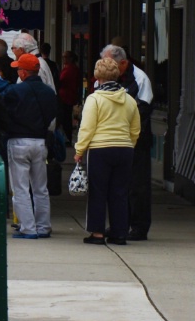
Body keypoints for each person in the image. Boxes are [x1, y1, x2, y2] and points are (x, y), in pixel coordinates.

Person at [74, 57, 141, 245]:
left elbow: (87, 127)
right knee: (119, 192)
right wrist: (129, 143)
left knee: (98, 192)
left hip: (100, 150)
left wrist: (80, 150)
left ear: (97, 76)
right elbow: (135, 129)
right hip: (125, 149)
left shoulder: (95, 99)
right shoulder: (129, 100)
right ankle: (119, 233)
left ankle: (97, 233)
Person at [101, 44, 154, 241]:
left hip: (136, 141)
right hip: (115, 139)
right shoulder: (109, 78)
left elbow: (144, 110)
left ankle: (139, 226)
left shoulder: (140, 78)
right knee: (118, 186)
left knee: (138, 186)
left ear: (123, 63)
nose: (108, 67)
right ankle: (120, 223)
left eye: (111, 63)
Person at [2, 53, 58, 239]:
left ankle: (28, 227)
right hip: (40, 141)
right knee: (41, 187)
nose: (18, 71)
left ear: (24, 73)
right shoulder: (49, 93)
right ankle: (43, 226)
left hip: (18, 141)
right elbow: (52, 115)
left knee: (21, 187)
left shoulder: (15, 91)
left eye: (19, 69)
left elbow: (5, 114)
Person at [57, 51, 82, 144]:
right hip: (67, 96)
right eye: (63, 57)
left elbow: (62, 81)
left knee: (65, 118)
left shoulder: (71, 69)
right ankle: (67, 137)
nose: (64, 59)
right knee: (66, 118)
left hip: (67, 97)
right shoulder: (68, 68)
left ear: (71, 58)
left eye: (66, 57)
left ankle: (67, 138)